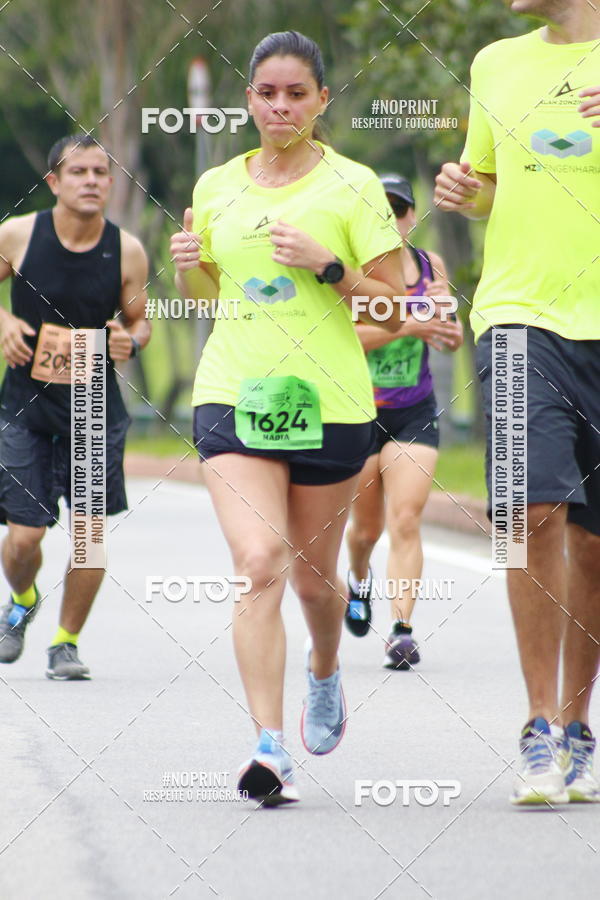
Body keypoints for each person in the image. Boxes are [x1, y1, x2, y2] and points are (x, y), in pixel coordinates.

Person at [171, 31, 405, 805]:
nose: (279, 106)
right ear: (248, 100)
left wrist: (329, 266)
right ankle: (270, 746)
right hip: (234, 393)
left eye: (295, 93)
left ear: (321, 100)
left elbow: (396, 305)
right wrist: (193, 271)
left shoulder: (355, 184)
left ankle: (326, 670)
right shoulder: (215, 187)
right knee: (260, 562)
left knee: (313, 581)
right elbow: (215, 297)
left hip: (329, 402)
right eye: (266, 93)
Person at [434, 0, 600, 805]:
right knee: (528, 513)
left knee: (596, 549)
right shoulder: (496, 62)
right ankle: (538, 725)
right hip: (519, 318)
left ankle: (576, 725)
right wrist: (471, 192)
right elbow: (497, 184)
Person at [0, 134, 150, 680]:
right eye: (79, 171)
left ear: (110, 183)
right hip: (25, 407)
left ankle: (65, 644)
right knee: (23, 538)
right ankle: (22, 600)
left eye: (100, 173)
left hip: (92, 405)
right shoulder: (18, 235)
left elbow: (140, 321)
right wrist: (5, 322)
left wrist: (131, 340)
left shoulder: (127, 249)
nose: (91, 181)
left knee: (88, 539)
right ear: (54, 182)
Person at [344, 174, 463, 668]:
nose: (390, 220)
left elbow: (449, 333)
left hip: (413, 408)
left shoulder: (429, 266)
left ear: (412, 218)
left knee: (406, 518)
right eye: (380, 211)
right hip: (357, 409)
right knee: (365, 529)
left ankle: (402, 630)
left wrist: (445, 329)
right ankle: (357, 579)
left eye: (399, 210)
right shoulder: (348, 270)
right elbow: (346, 337)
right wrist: (409, 326)